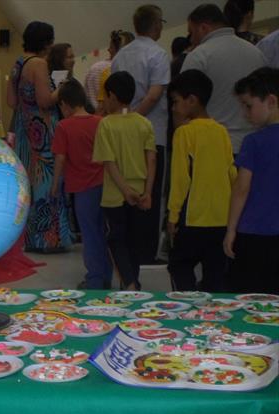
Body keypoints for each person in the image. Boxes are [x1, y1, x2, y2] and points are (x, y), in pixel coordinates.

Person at [166, 70, 236, 292]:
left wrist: (173, 216)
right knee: (215, 272)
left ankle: (188, 309)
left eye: (176, 102)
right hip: (221, 216)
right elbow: (231, 173)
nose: (174, 108)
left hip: (193, 217)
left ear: (192, 100)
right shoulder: (222, 131)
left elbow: (180, 180)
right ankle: (214, 319)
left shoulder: (184, 134)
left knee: (179, 265)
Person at [111, 4, 170, 265]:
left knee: (125, 190)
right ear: (156, 25)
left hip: (120, 134)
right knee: (151, 192)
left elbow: (114, 93)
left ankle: (128, 249)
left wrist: (125, 121)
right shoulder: (158, 54)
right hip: (151, 134)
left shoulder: (120, 56)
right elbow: (155, 94)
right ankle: (147, 252)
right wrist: (136, 119)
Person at [6, 21, 72, 253]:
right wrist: (61, 87)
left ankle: (30, 238)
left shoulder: (18, 63)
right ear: (46, 42)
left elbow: (11, 102)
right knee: (48, 184)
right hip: (43, 133)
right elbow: (45, 101)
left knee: (28, 186)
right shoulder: (39, 64)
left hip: (25, 132)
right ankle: (49, 239)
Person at [92, 71, 157, 291]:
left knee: (116, 239)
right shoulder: (144, 123)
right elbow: (152, 159)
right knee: (133, 241)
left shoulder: (106, 124)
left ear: (112, 95)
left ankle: (129, 283)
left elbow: (109, 163)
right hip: (140, 190)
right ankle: (132, 282)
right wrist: (147, 191)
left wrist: (124, 189)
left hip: (115, 194)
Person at [181, 3, 266, 155]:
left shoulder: (199, 56)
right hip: (253, 146)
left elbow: (184, 105)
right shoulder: (257, 53)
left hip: (212, 147)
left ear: (204, 28)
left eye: (192, 33)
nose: (191, 40)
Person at [51, 80, 112, 289]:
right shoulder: (100, 122)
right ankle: (106, 274)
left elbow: (60, 158)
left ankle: (95, 278)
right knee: (103, 232)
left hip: (82, 188)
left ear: (64, 104)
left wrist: (54, 184)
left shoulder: (64, 126)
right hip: (105, 185)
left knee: (89, 234)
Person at [225, 67, 279, 293]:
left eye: (248, 106)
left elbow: (241, 188)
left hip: (254, 232)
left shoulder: (254, 142)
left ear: (271, 101)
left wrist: (230, 230)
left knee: (248, 300)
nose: (245, 114)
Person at [95, 30, 135, 115]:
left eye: (111, 47)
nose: (108, 50)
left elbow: (102, 107)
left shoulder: (107, 74)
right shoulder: (140, 70)